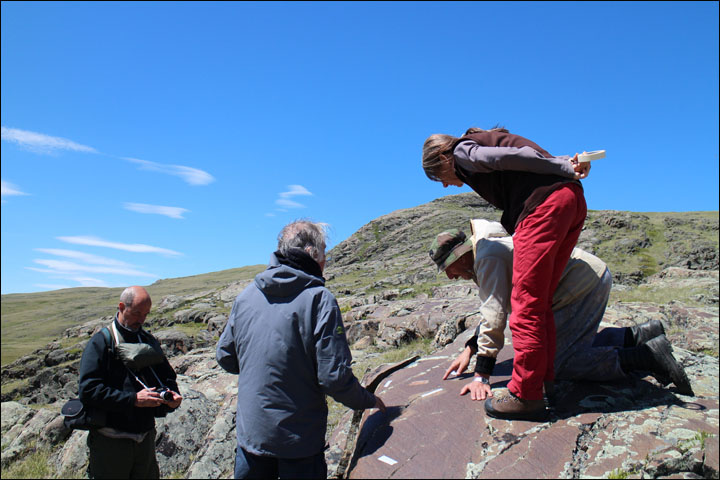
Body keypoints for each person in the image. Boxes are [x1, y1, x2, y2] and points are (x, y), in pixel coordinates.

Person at [429, 221, 694, 415]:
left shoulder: (487, 258)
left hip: (579, 286)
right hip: (583, 278)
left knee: (557, 364)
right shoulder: (485, 252)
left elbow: (494, 314)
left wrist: (482, 376)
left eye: (448, 268)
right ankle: (638, 335)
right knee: (563, 346)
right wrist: (470, 348)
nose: (450, 276)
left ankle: (648, 356)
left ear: (460, 256)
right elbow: (495, 305)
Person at [423, 126, 592, 421]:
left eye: (438, 176)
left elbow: (515, 156)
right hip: (569, 200)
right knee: (540, 303)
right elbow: (526, 157)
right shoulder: (475, 147)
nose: (445, 186)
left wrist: (563, 165)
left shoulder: (463, 152)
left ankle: (526, 396)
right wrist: (565, 163)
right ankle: (545, 382)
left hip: (543, 207)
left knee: (526, 306)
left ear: (441, 156)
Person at [216, 220, 386, 479]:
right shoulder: (320, 299)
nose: (326, 260)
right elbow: (333, 377)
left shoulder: (246, 296)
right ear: (313, 254)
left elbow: (226, 357)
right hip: (299, 444)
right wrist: (368, 401)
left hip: (251, 438)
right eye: (325, 252)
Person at [77, 286, 183, 479]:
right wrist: (132, 399)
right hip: (111, 443)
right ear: (121, 307)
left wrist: (172, 398)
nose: (141, 320)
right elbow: (88, 391)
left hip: (145, 441)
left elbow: (167, 378)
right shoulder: (101, 343)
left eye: (145, 314)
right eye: (136, 313)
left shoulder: (148, 341)